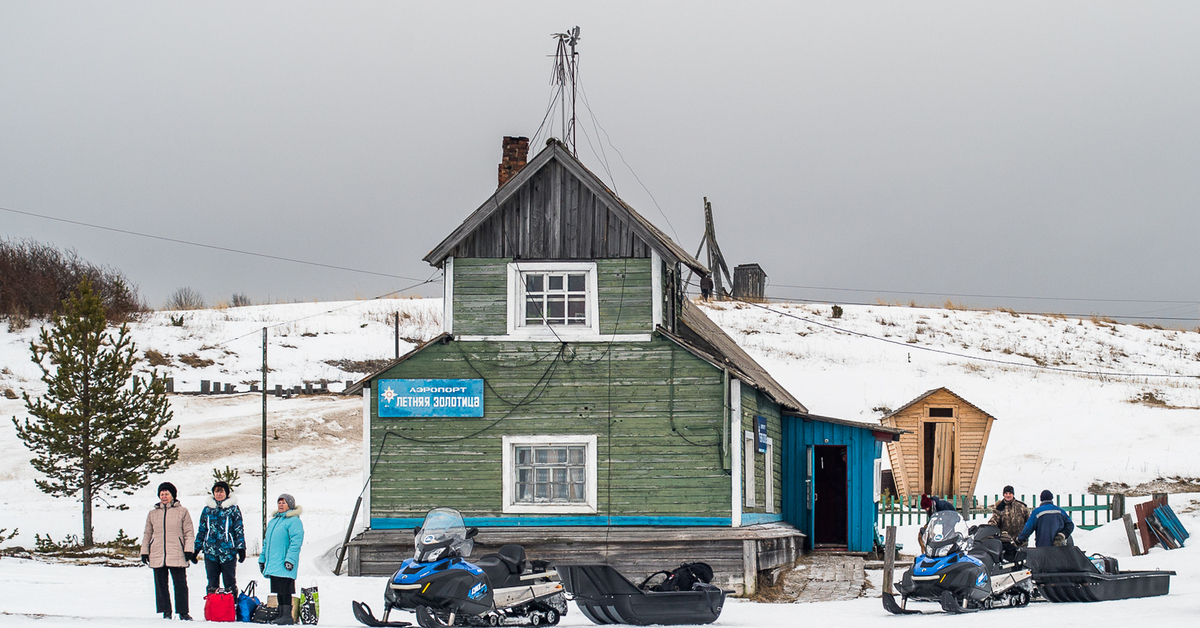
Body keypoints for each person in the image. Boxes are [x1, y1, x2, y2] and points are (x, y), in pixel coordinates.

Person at [141, 482, 196, 620]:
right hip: (157, 552)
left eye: (166, 494)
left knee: (180, 584)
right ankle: (166, 610)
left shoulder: (182, 511)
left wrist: (189, 549)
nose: (164, 496)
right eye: (162, 494)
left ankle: (183, 611)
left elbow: (189, 532)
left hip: (177, 552)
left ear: (173, 495)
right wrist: (144, 551)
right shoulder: (153, 514)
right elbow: (147, 533)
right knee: (160, 585)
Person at [194, 481, 246, 594]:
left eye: (221, 491)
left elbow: (238, 530)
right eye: (216, 491)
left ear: (226, 493)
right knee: (212, 583)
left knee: (230, 582)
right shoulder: (207, 510)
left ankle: (232, 607)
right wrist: (196, 549)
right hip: (210, 552)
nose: (219, 494)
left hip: (228, 552)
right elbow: (202, 530)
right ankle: (213, 608)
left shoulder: (233, 509)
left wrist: (241, 548)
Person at [260, 493, 304, 625]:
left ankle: (287, 616)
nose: (280, 505)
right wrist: (262, 559)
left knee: (285, 589)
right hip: (274, 562)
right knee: (278, 589)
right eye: (279, 502)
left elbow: (296, 542)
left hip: (284, 562)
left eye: (283, 502)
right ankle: (280, 614)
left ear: (290, 505)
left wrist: (290, 559)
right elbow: (266, 543)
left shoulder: (294, 521)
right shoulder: (274, 521)